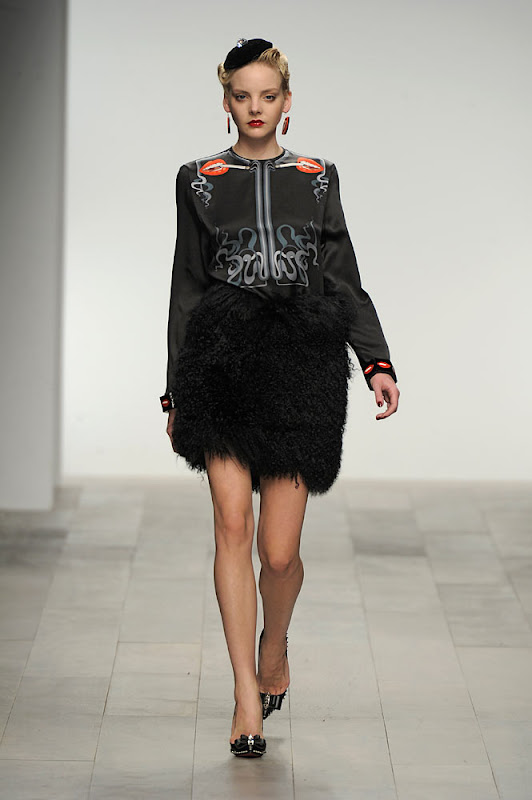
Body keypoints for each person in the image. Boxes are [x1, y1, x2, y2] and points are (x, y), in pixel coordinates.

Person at [160, 38, 399, 757]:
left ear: (287, 102)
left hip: (300, 360)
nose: (255, 107)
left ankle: (275, 645)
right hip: (221, 359)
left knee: (280, 552)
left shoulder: (317, 177)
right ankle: (245, 697)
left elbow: (342, 277)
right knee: (232, 525)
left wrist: (375, 360)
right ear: (226, 101)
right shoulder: (198, 180)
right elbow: (186, 285)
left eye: (268, 96)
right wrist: (175, 391)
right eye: (243, 95)